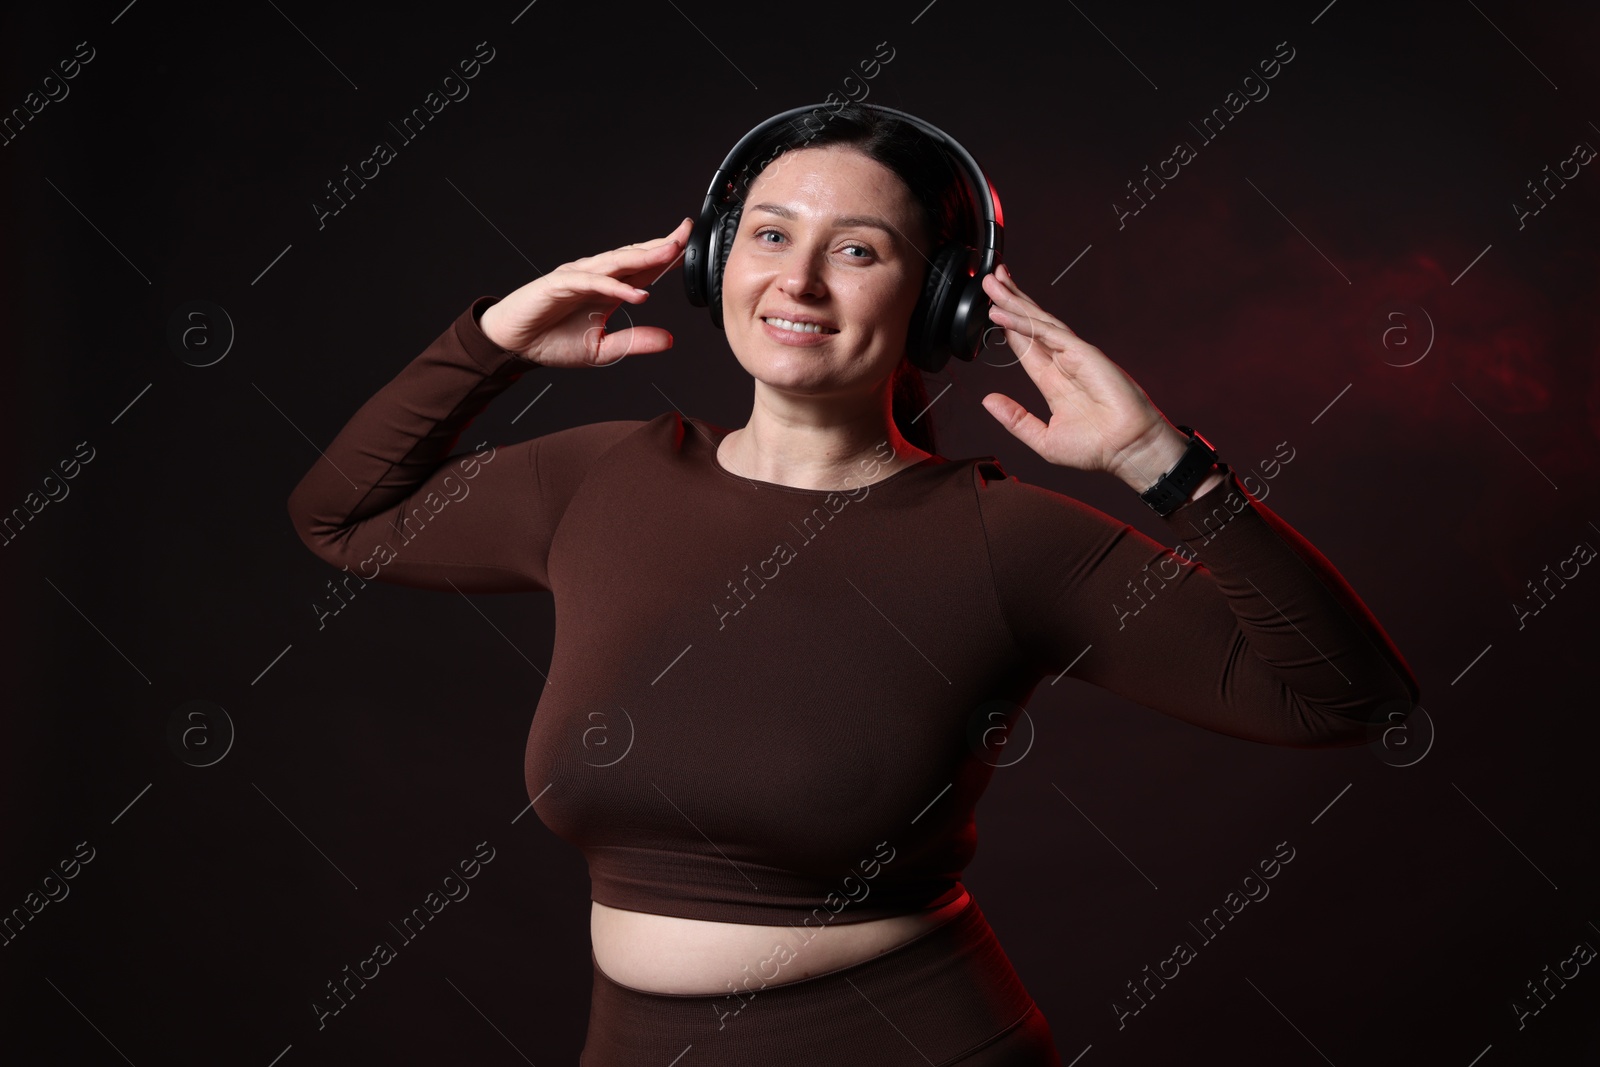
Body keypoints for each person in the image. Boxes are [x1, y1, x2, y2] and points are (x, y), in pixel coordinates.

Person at [286, 103, 1420, 1065]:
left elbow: (1344, 698)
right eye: (770, 233)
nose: (799, 279)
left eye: (860, 249)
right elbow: (342, 516)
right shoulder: (599, 479)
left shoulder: (999, 537)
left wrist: (1159, 463)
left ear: (940, 306)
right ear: (714, 259)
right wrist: (490, 339)